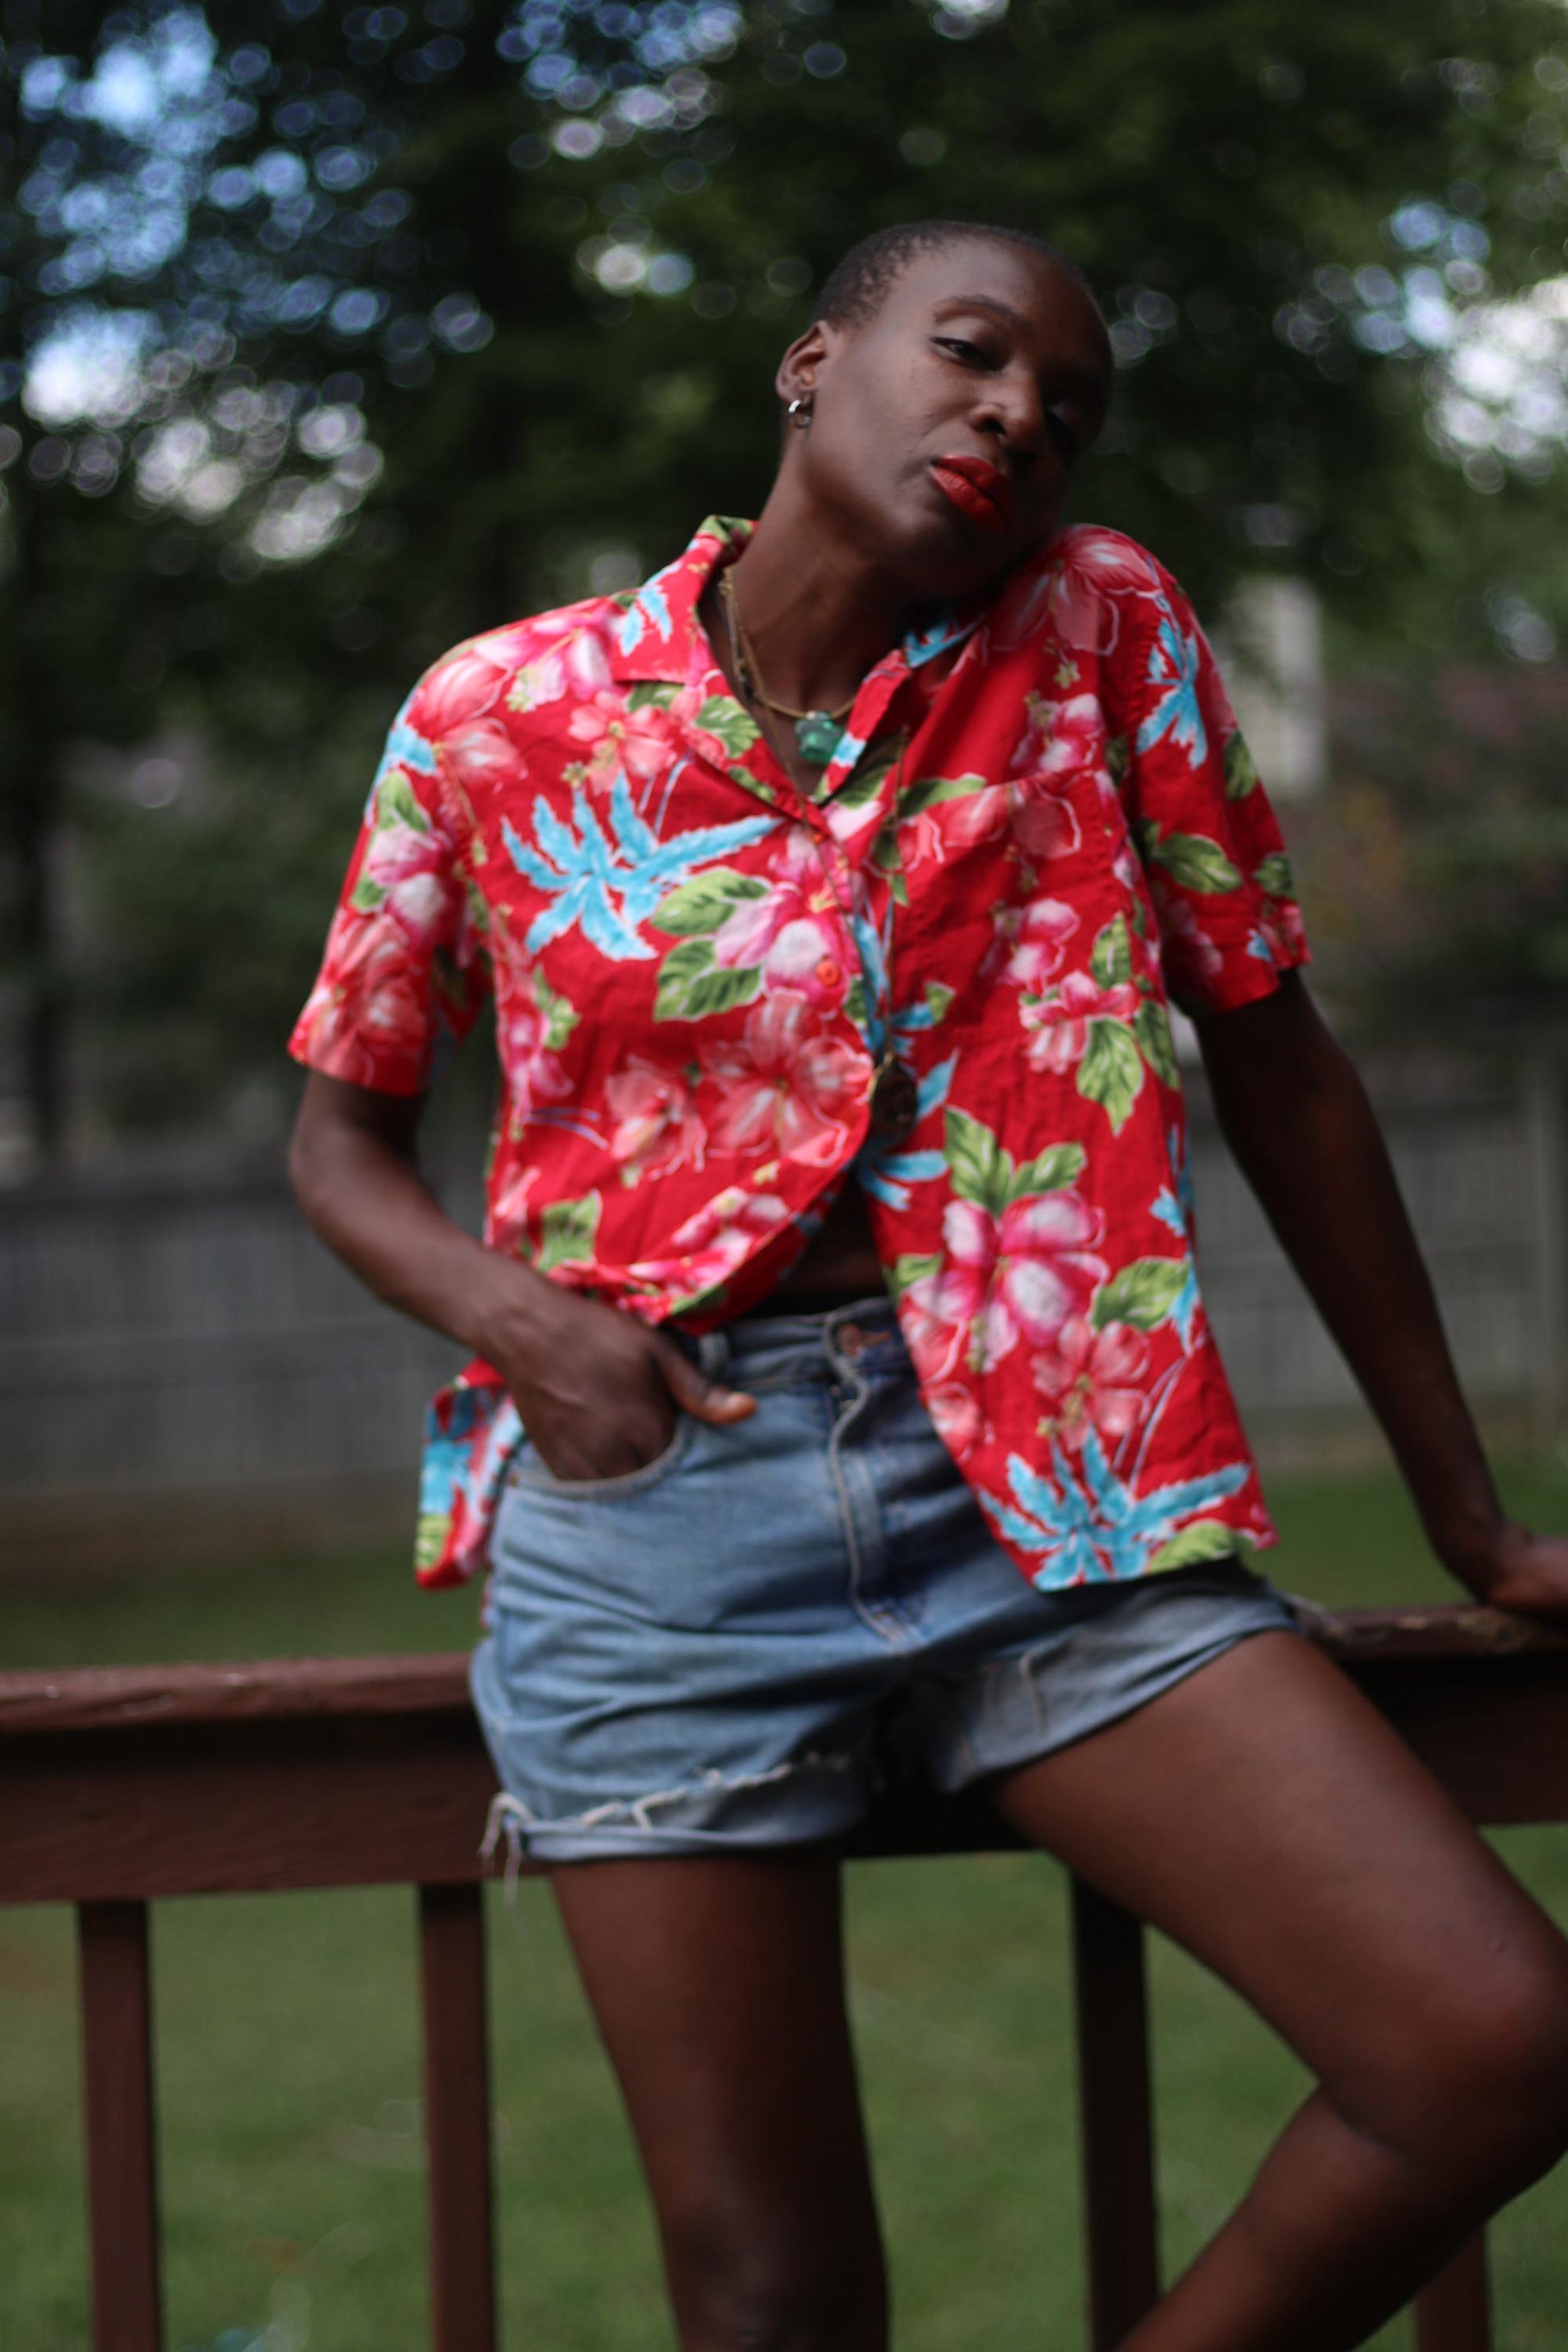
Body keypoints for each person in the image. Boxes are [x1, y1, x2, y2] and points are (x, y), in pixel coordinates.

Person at [288, 219, 1568, 2351]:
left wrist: (1468, 1520)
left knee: (1487, 2041)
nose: (1012, 414)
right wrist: (526, 1325)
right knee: (775, 2291)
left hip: (1056, 1499)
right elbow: (336, 1145)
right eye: (969, 355)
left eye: (1060, 411)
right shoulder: (496, 715)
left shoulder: (1099, 633)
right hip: (653, 1532)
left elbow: (1278, 1063)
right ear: (813, 365)